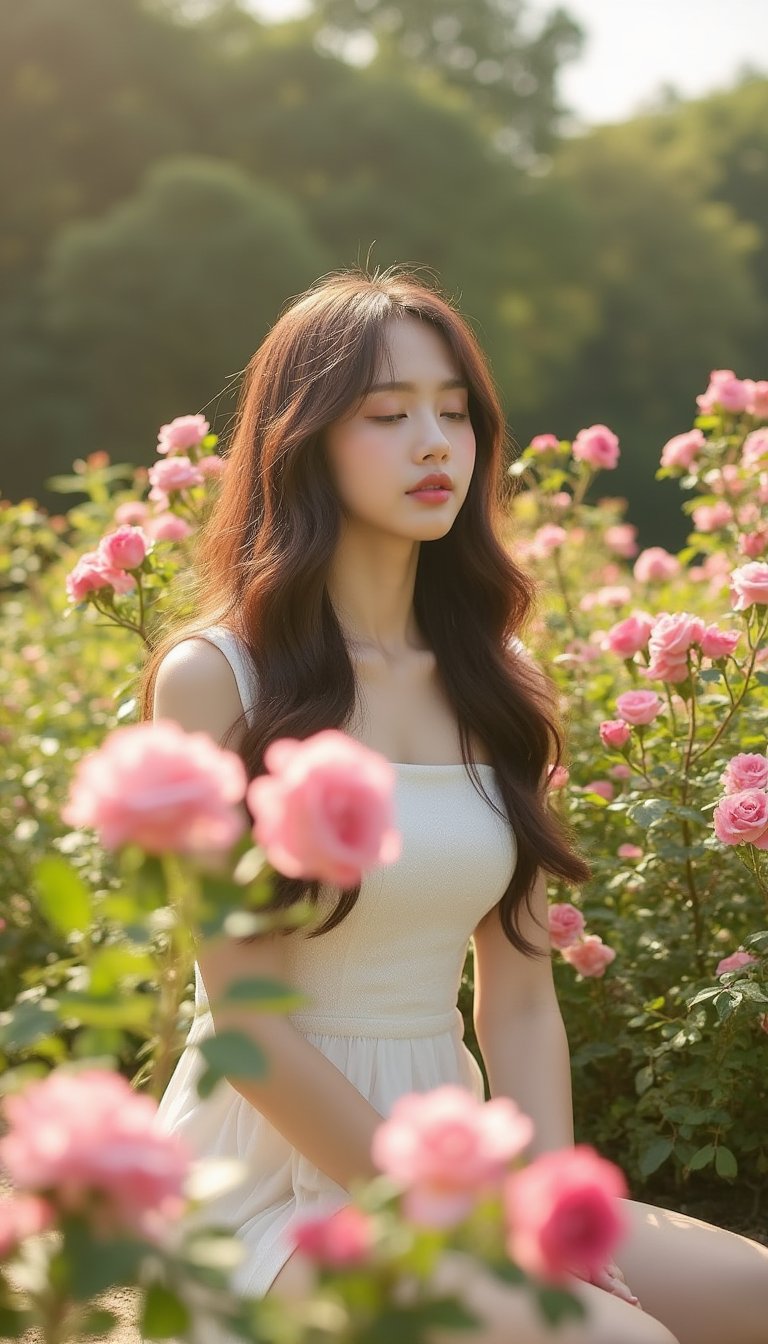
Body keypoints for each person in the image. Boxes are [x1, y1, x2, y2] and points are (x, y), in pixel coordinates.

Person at [142, 266, 768, 1344]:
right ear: (306, 443)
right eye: (388, 415)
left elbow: (519, 996)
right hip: (263, 1184)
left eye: (455, 411)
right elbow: (246, 1016)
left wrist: (543, 1221)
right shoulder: (216, 681)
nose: (436, 442)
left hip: (457, 1159)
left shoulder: (498, 681)